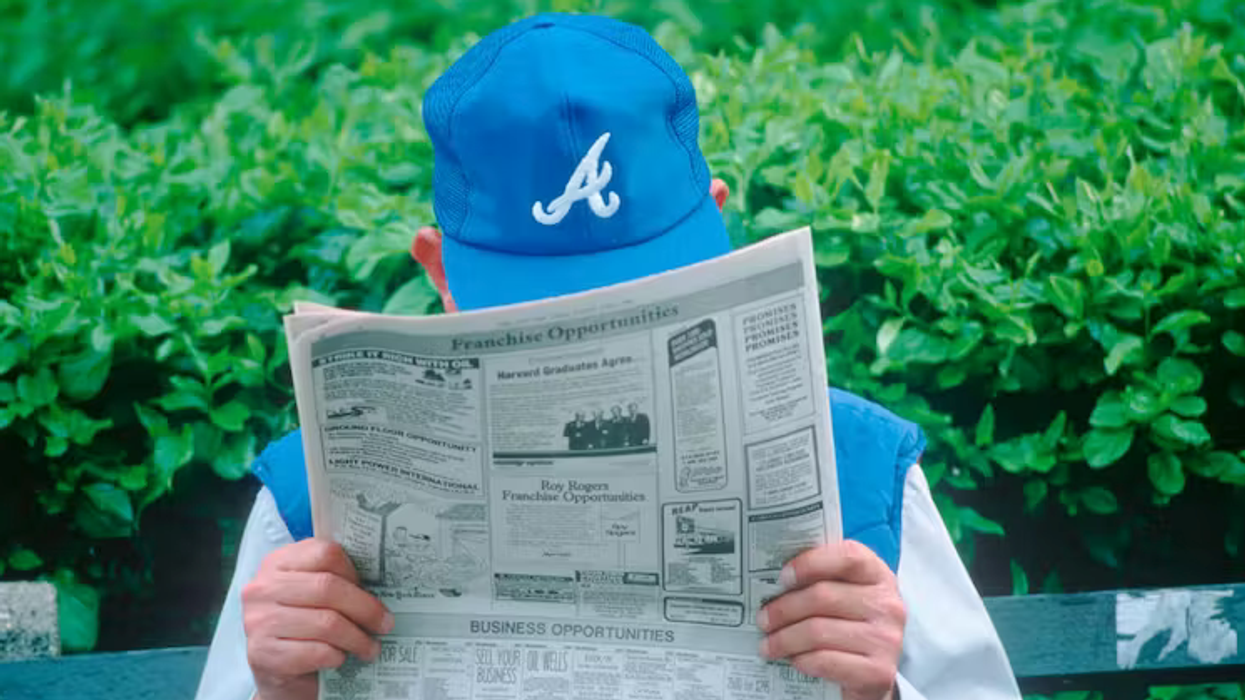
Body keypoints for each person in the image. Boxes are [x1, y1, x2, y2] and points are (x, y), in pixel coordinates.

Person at [194, 13, 1021, 700]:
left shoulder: (862, 468)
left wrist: (882, 693)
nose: (598, 332)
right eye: (542, 313)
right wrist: (280, 692)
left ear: (722, 225)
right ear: (438, 271)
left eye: (653, 295)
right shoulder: (313, 502)